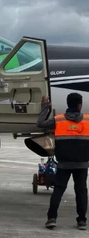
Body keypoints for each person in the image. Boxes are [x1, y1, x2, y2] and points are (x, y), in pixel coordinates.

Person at [37, 93, 89, 230]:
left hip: (64, 163)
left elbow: (40, 123)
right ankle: (82, 221)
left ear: (68, 104)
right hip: (82, 163)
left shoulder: (58, 120)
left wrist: (44, 107)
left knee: (58, 191)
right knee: (81, 191)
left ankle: (52, 219)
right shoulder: (87, 120)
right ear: (80, 105)